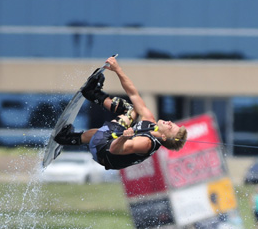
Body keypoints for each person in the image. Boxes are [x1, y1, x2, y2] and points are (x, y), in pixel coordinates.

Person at [54, 56, 188, 169]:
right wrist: (118, 70)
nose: (170, 122)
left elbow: (114, 150)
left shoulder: (146, 143)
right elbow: (133, 94)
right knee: (133, 109)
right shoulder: (150, 121)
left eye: (171, 127)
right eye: (173, 123)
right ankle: (69, 138)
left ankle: (92, 93)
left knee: (117, 127)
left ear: (164, 137)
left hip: (103, 153)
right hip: (103, 143)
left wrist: (124, 137)